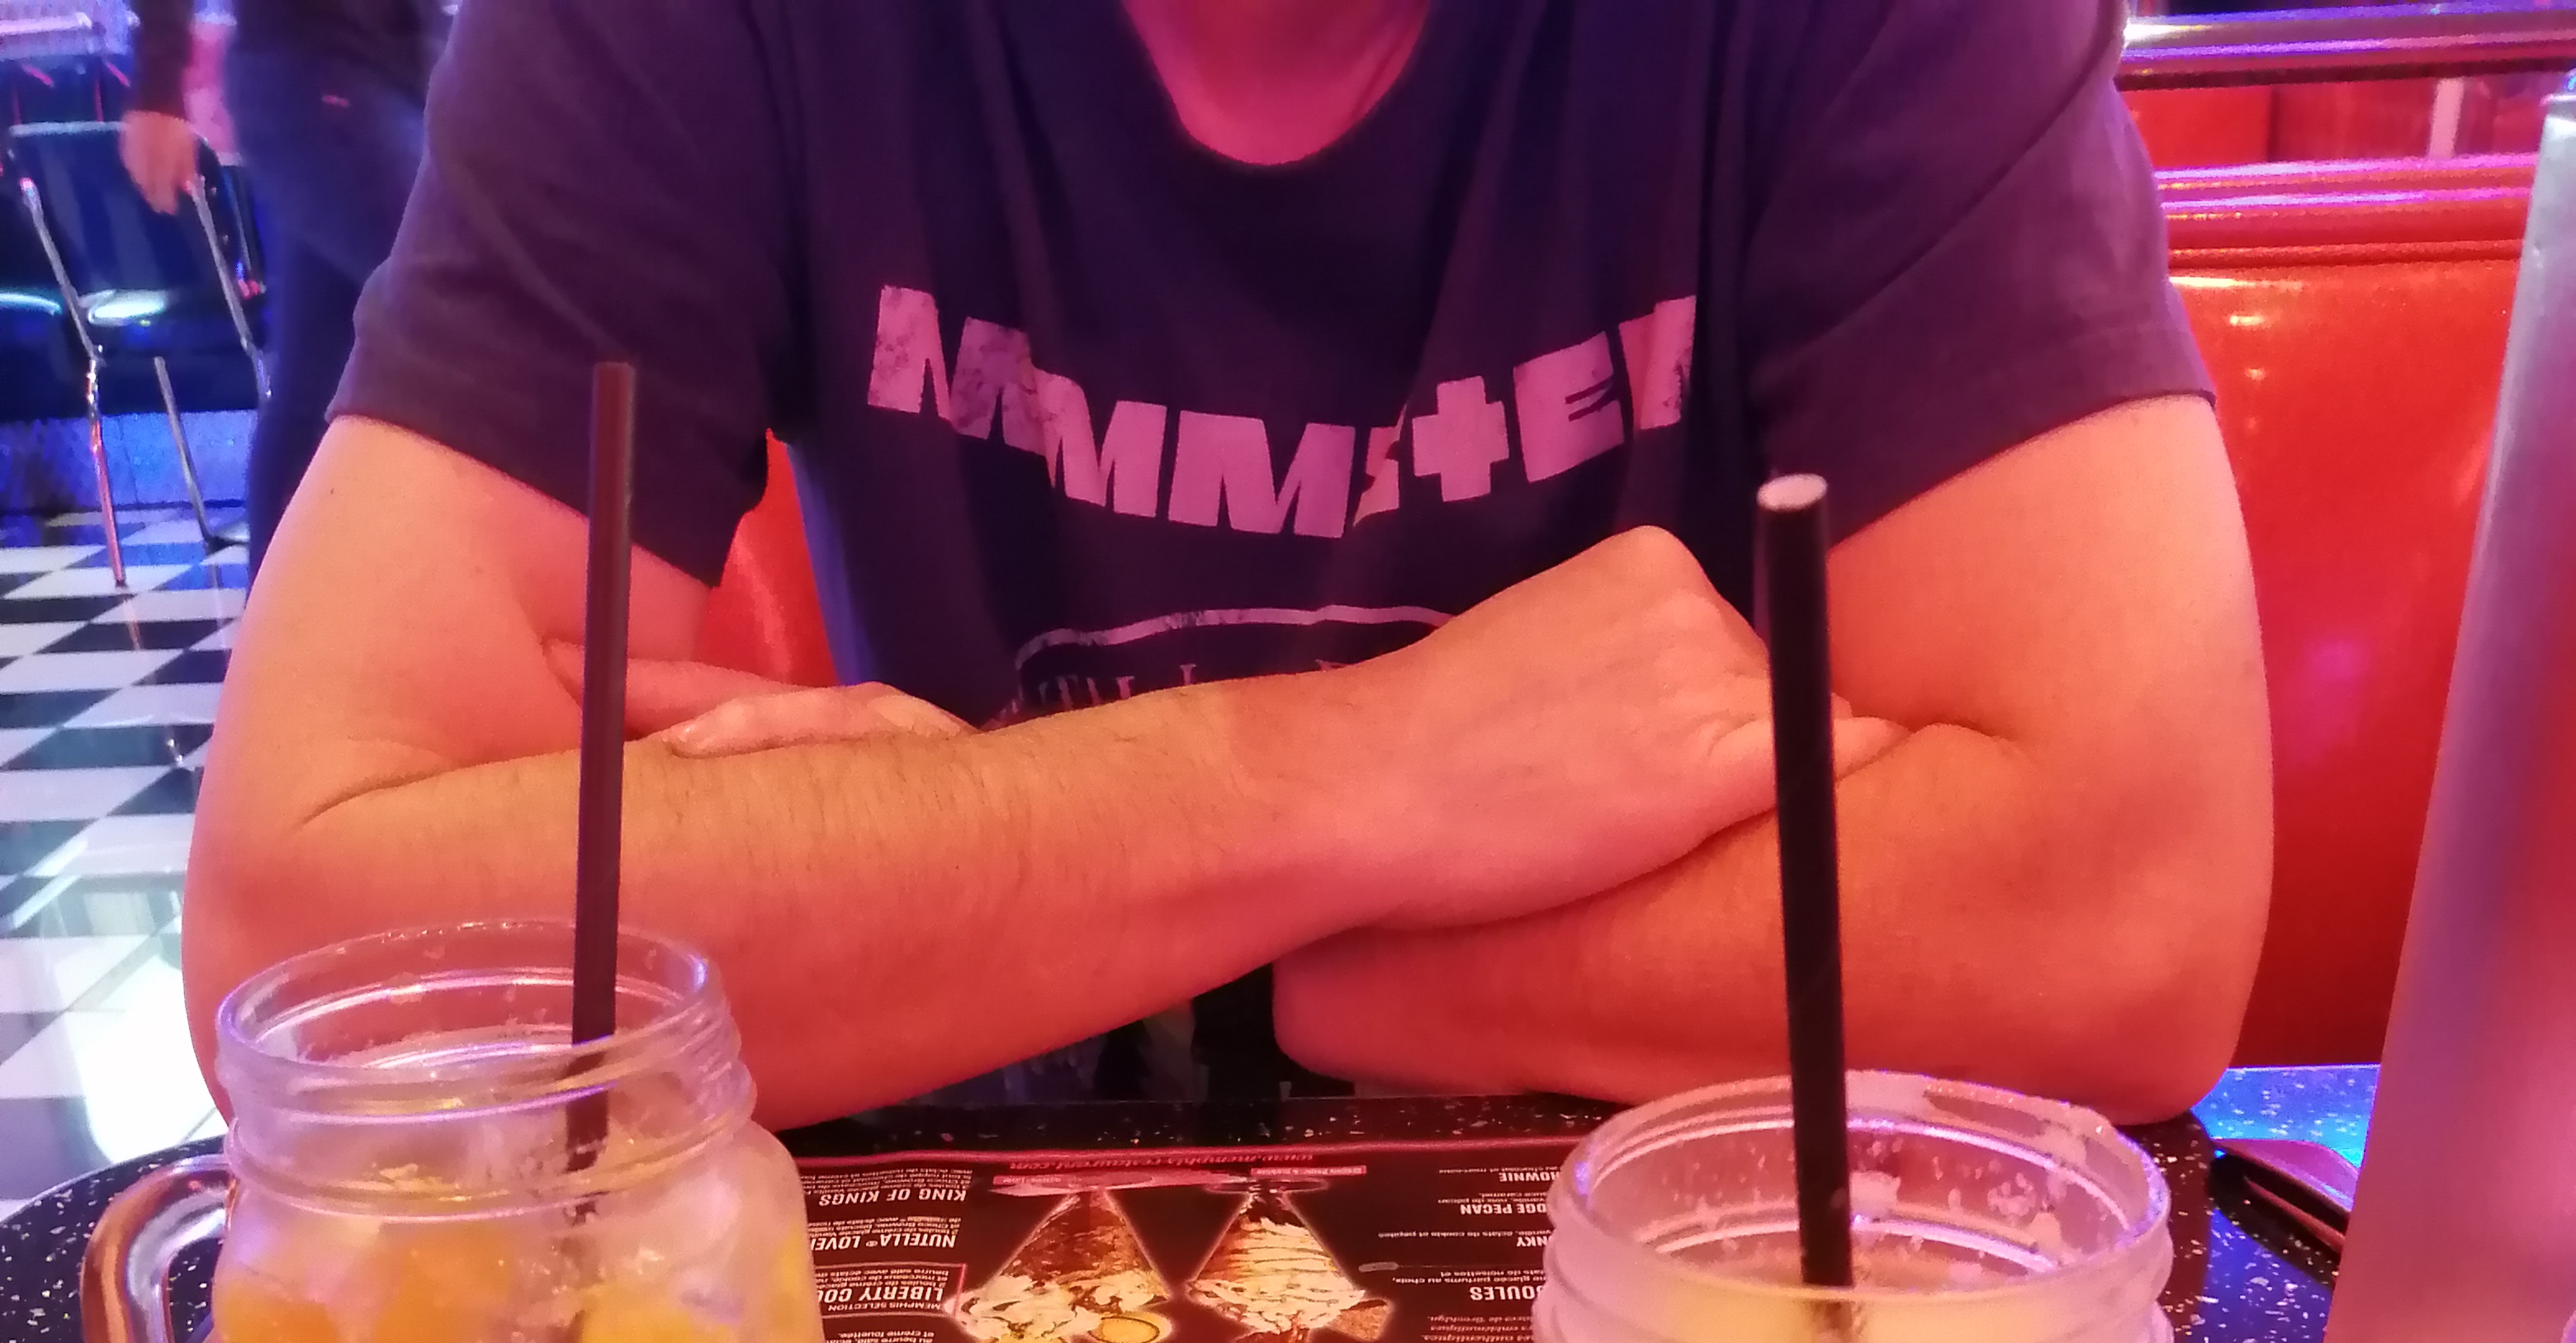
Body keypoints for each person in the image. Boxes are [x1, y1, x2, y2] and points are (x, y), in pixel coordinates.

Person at [183, 0, 2271, 1127]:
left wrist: (1091, 931)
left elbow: (2122, 914)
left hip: (1712, 1329)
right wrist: (1379, 767)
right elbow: (314, 945)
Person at [121, 0, 441, 574]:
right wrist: (159, 81)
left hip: (355, 80)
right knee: (469, 318)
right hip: (324, 73)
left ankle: (280, 620)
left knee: (310, 388)